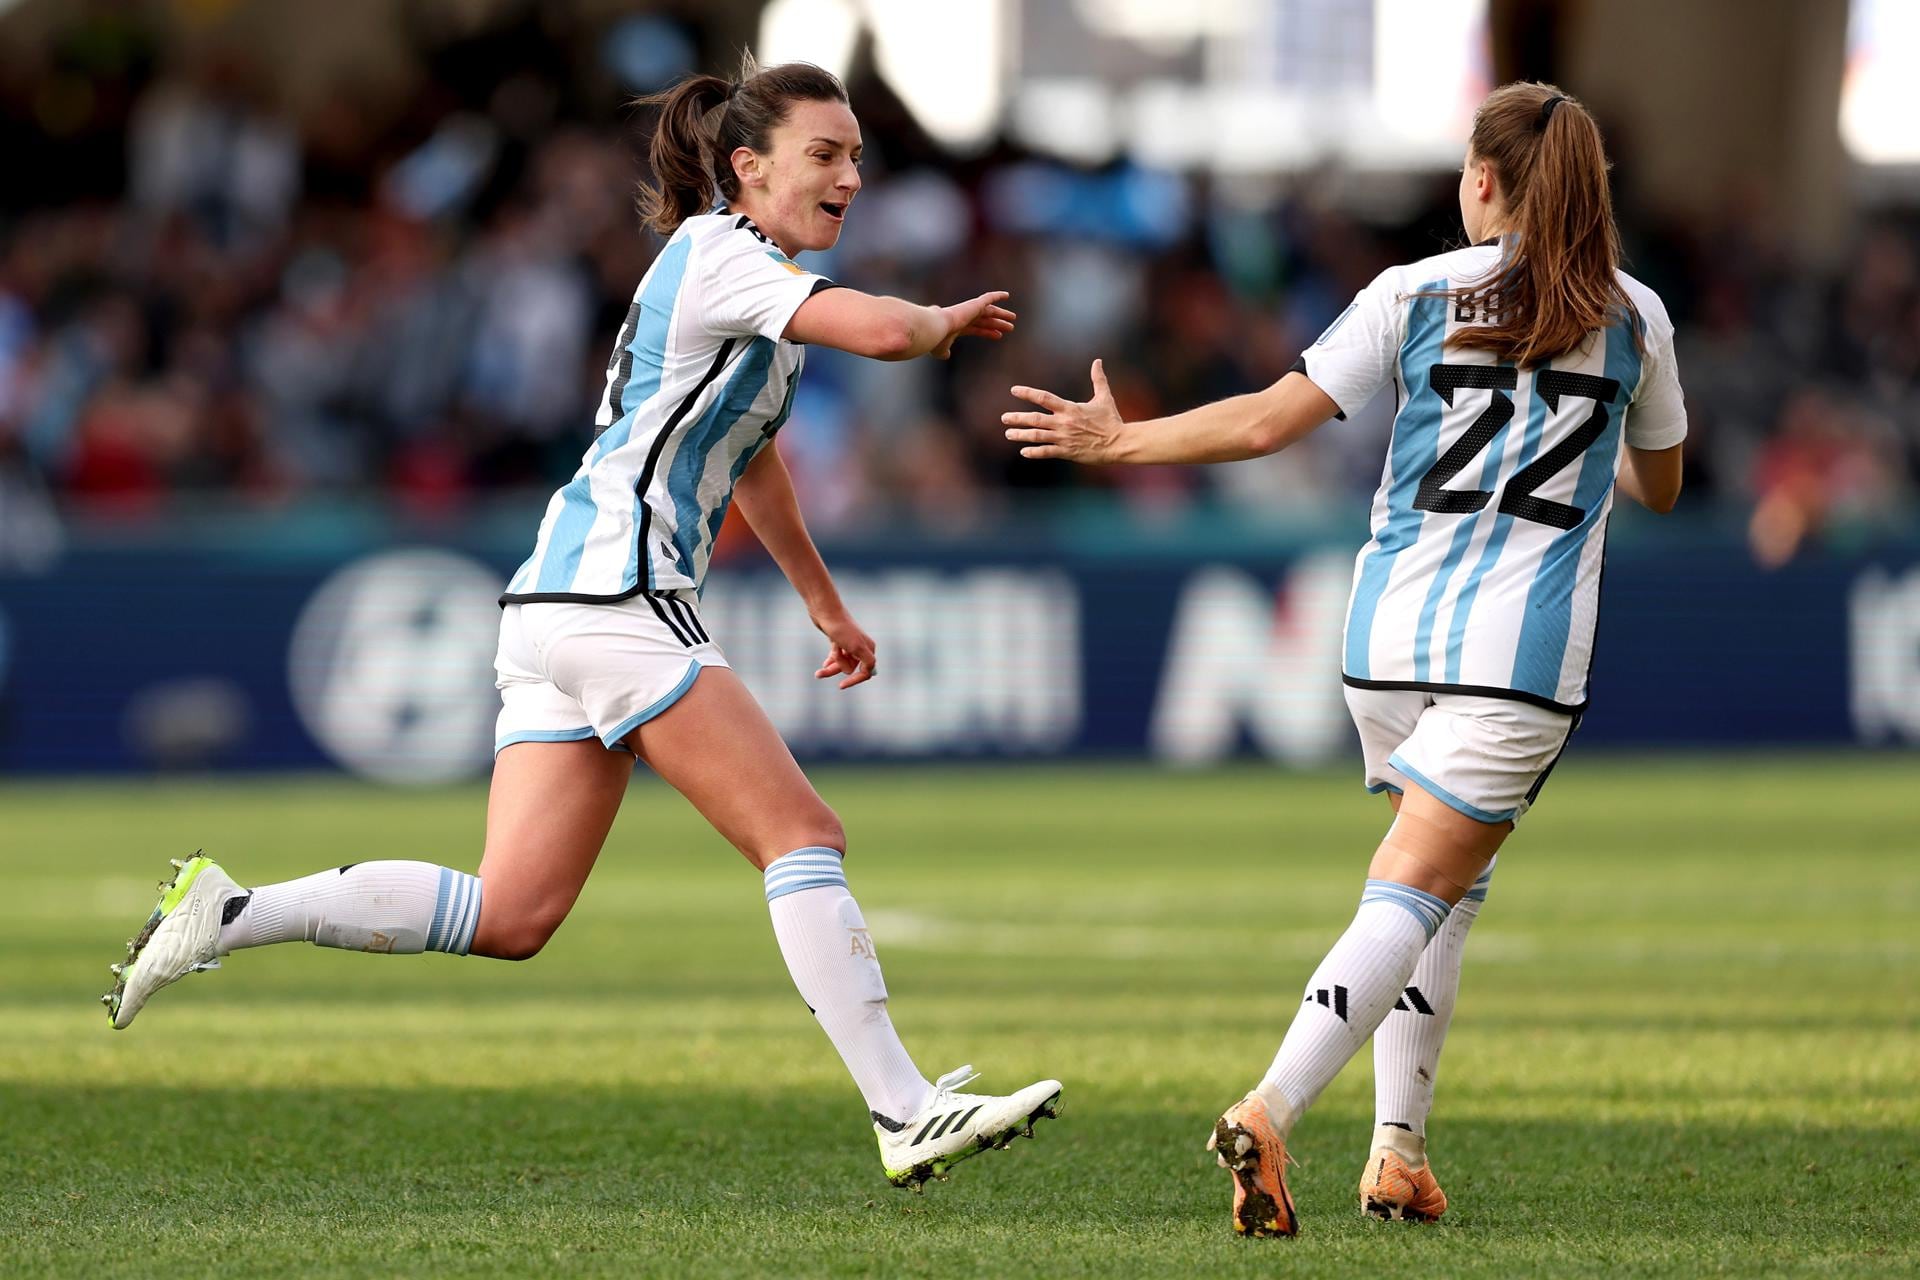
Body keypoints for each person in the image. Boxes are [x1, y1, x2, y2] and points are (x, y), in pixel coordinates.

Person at [104, 58, 1061, 1191]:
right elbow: (886, 334)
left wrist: (823, 599)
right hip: (615, 594)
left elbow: (748, 468)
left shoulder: (758, 292)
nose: (850, 173)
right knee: (801, 834)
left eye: (856, 154)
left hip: (561, 603)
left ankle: (229, 909)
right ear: (747, 169)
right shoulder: (722, 254)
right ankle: (904, 1109)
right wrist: (936, 319)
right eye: (826, 153)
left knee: (512, 911)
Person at [1002, 82, 1685, 1235]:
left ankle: (1398, 1154)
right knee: (1415, 890)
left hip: (1387, 641)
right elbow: (1660, 486)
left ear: (1481, 182)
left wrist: (1122, 440)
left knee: (1447, 894)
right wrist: (1601, 431)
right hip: (1516, 657)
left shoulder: (1411, 291)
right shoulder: (1637, 316)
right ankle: (1270, 1106)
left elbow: (1271, 417)